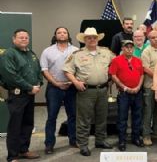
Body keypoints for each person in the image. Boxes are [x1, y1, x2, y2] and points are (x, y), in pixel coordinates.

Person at [63, 27, 115, 156]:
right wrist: (75, 82)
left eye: (94, 37)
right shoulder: (77, 54)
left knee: (102, 117)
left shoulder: (106, 52)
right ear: (84, 40)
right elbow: (67, 70)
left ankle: (100, 140)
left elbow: (117, 64)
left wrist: (112, 78)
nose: (92, 40)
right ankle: (83, 145)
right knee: (84, 119)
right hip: (86, 91)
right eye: (89, 38)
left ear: (97, 39)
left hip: (103, 90)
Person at [0, 29, 43, 162]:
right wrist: (29, 87)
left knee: (27, 124)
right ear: (14, 40)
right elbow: (11, 76)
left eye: (26, 37)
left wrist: (39, 84)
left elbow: (38, 70)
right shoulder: (9, 54)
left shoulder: (31, 53)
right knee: (15, 126)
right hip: (17, 95)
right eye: (21, 37)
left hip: (30, 95)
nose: (24, 39)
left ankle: (23, 150)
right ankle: (12, 155)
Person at [40, 27, 79, 154]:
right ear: (55, 35)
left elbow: (80, 69)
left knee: (73, 116)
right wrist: (56, 83)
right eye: (59, 32)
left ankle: (73, 140)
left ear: (68, 35)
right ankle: (49, 144)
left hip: (71, 88)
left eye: (64, 32)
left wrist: (73, 82)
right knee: (52, 117)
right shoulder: (47, 51)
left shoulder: (76, 50)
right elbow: (44, 70)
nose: (62, 34)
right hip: (54, 88)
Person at [109, 40, 144, 151]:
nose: (129, 49)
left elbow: (142, 75)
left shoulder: (138, 60)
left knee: (137, 116)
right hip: (124, 93)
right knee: (122, 118)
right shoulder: (116, 60)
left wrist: (138, 87)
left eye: (131, 47)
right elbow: (113, 75)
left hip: (137, 92)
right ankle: (122, 140)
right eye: (126, 47)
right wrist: (124, 87)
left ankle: (136, 137)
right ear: (122, 48)